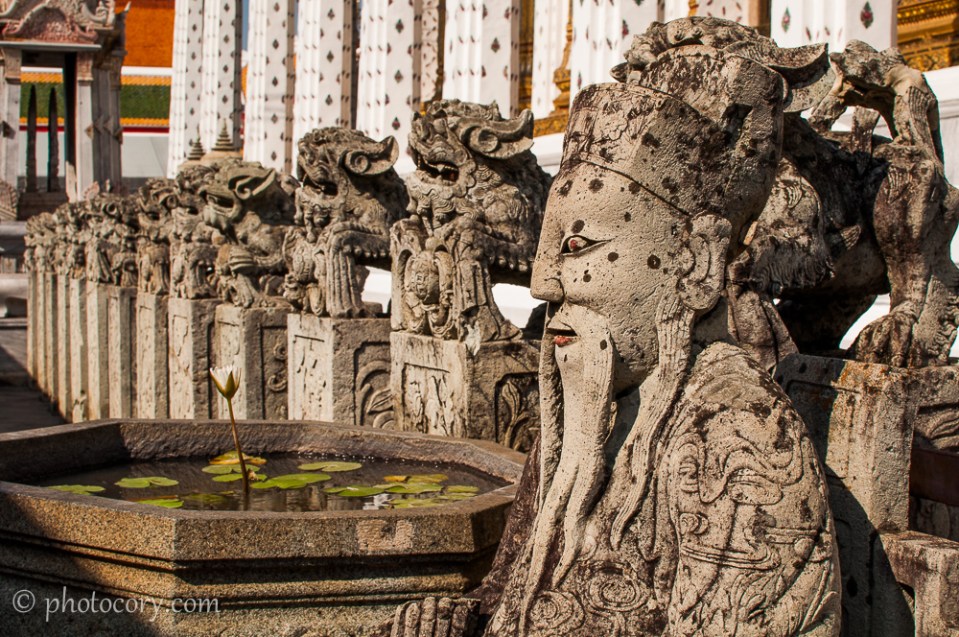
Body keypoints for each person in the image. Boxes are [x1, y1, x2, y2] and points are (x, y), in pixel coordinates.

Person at [391, 28, 841, 637]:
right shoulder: (587, 413)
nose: (541, 284)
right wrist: (464, 616)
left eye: (576, 245)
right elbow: (509, 588)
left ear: (697, 264)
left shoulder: (736, 436)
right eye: (547, 249)